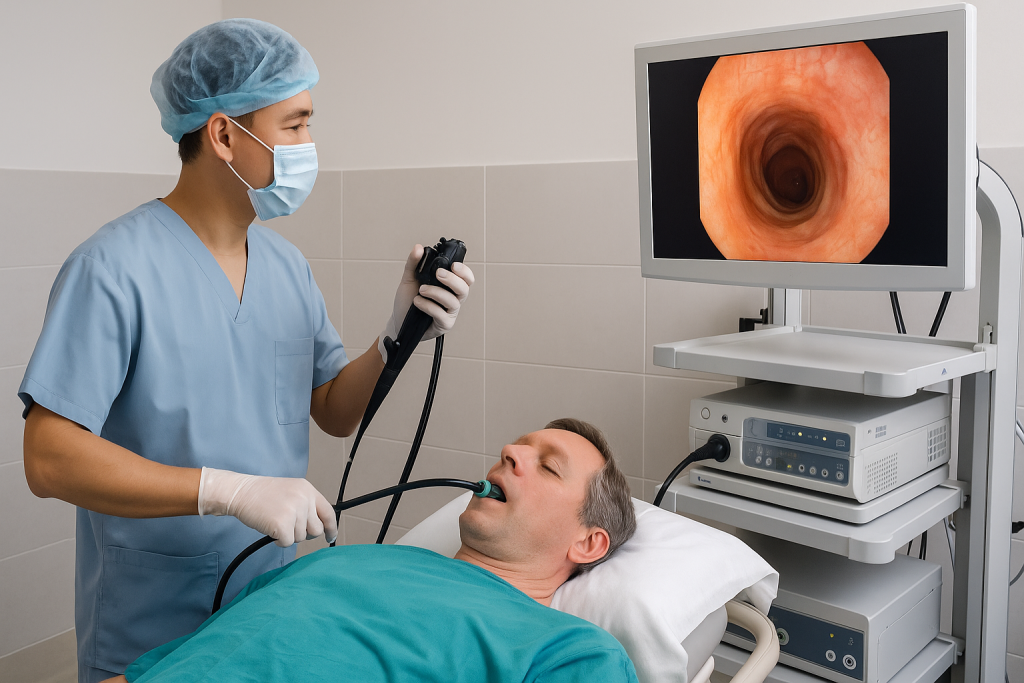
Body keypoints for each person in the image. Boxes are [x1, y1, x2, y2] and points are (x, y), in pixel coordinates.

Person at [19, 19, 474, 683]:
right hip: (151, 618)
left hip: (266, 608)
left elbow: (333, 408)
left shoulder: (286, 266)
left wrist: (395, 337)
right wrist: (225, 491)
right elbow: (48, 457)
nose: (308, 146)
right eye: (294, 125)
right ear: (224, 134)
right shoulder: (111, 268)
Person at [101, 418, 639, 683]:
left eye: (548, 466)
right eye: (520, 445)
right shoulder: (342, 559)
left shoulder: (571, 650)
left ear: (588, 542)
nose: (511, 451)